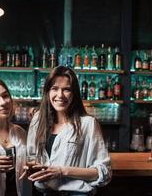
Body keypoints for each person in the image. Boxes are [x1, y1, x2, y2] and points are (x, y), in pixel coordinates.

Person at [26, 66, 112, 196]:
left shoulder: (88, 124)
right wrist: (30, 168)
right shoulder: (38, 120)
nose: (60, 95)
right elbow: (32, 157)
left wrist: (62, 171)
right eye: (54, 89)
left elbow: (103, 172)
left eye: (66, 90)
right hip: (44, 192)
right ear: (47, 92)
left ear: (74, 94)